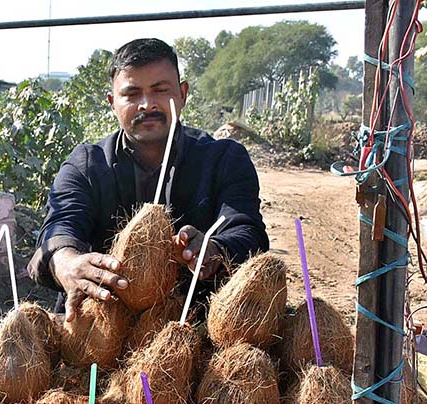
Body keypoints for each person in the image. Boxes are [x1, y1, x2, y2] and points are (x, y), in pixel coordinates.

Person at [28, 38, 268, 320]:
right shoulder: (86, 164)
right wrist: (66, 262)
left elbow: (248, 232)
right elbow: (60, 227)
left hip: (196, 330)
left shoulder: (224, 159)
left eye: (160, 90)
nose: (146, 105)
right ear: (112, 103)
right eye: (131, 94)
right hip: (99, 330)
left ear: (182, 94)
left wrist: (214, 251)